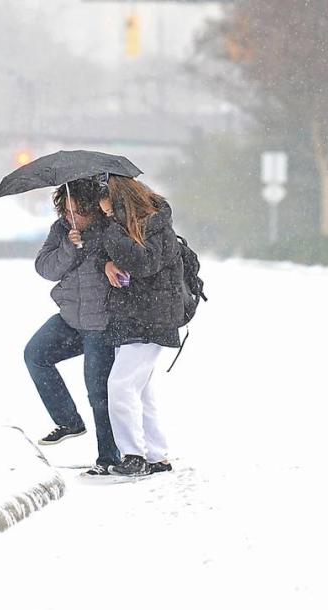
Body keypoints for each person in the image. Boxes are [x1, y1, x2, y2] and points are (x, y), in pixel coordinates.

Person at [23, 178, 120, 474]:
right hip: (70, 319)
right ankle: (68, 421)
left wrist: (91, 247)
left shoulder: (110, 230)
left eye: (76, 211)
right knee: (36, 354)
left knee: (98, 391)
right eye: (65, 210)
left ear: (91, 209)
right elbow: (45, 268)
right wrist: (69, 246)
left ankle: (109, 458)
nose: (69, 216)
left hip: (101, 323)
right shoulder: (62, 231)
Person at [98, 175, 183, 477]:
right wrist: (105, 263)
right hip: (133, 316)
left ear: (122, 205)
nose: (106, 217)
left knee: (119, 386)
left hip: (152, 319)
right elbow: (120, 259)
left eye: (109, 212)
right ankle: (157, 454)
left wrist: (111, 234)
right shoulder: (128, 229)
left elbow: (144, 263)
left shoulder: (156, 226)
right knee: (140, 389)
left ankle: (134, 455)